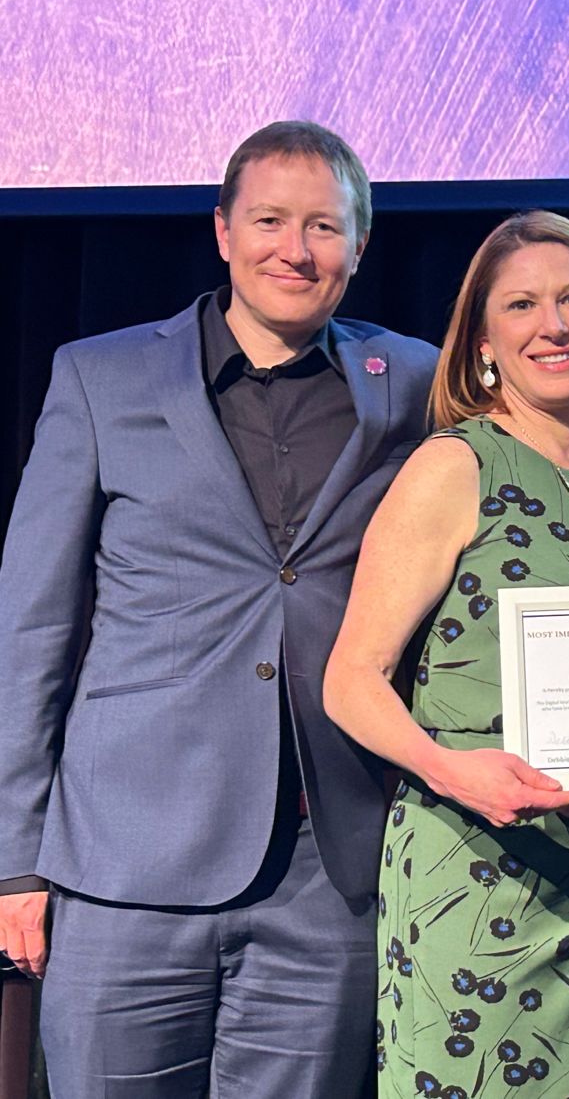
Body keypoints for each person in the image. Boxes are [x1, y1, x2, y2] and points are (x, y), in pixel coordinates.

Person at [0, 121, 439, 1095]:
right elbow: (29, 631)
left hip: (328, 872)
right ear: (222, 230)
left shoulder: (413, 382)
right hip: (125, 865)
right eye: (270, 220)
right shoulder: (102, 377)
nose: (296, 249)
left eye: (323, 226)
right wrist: (14, 863)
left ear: (360, 244)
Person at [323, 210, 569, 1098]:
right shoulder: (453, 467)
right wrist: (452, 771)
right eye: (522, 305)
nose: (553, 325)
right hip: (472, 869)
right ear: (483, 343)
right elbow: (350, 679)